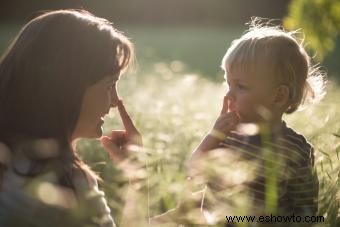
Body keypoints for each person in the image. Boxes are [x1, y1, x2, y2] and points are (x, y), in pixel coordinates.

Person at [0, 9, 141, 227]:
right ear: (69, 88)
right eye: (109, 86)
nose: (115, 101)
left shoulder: (11, 162)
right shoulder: (67, 186)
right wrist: (139, 176)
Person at [189, 19, 326, 226]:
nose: (229, 94)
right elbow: (193, 169)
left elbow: (306, 211)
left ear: (279, 96)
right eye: (228, 84)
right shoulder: (227, 134)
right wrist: (213, 137)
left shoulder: (296, 149)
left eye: (241, 86)